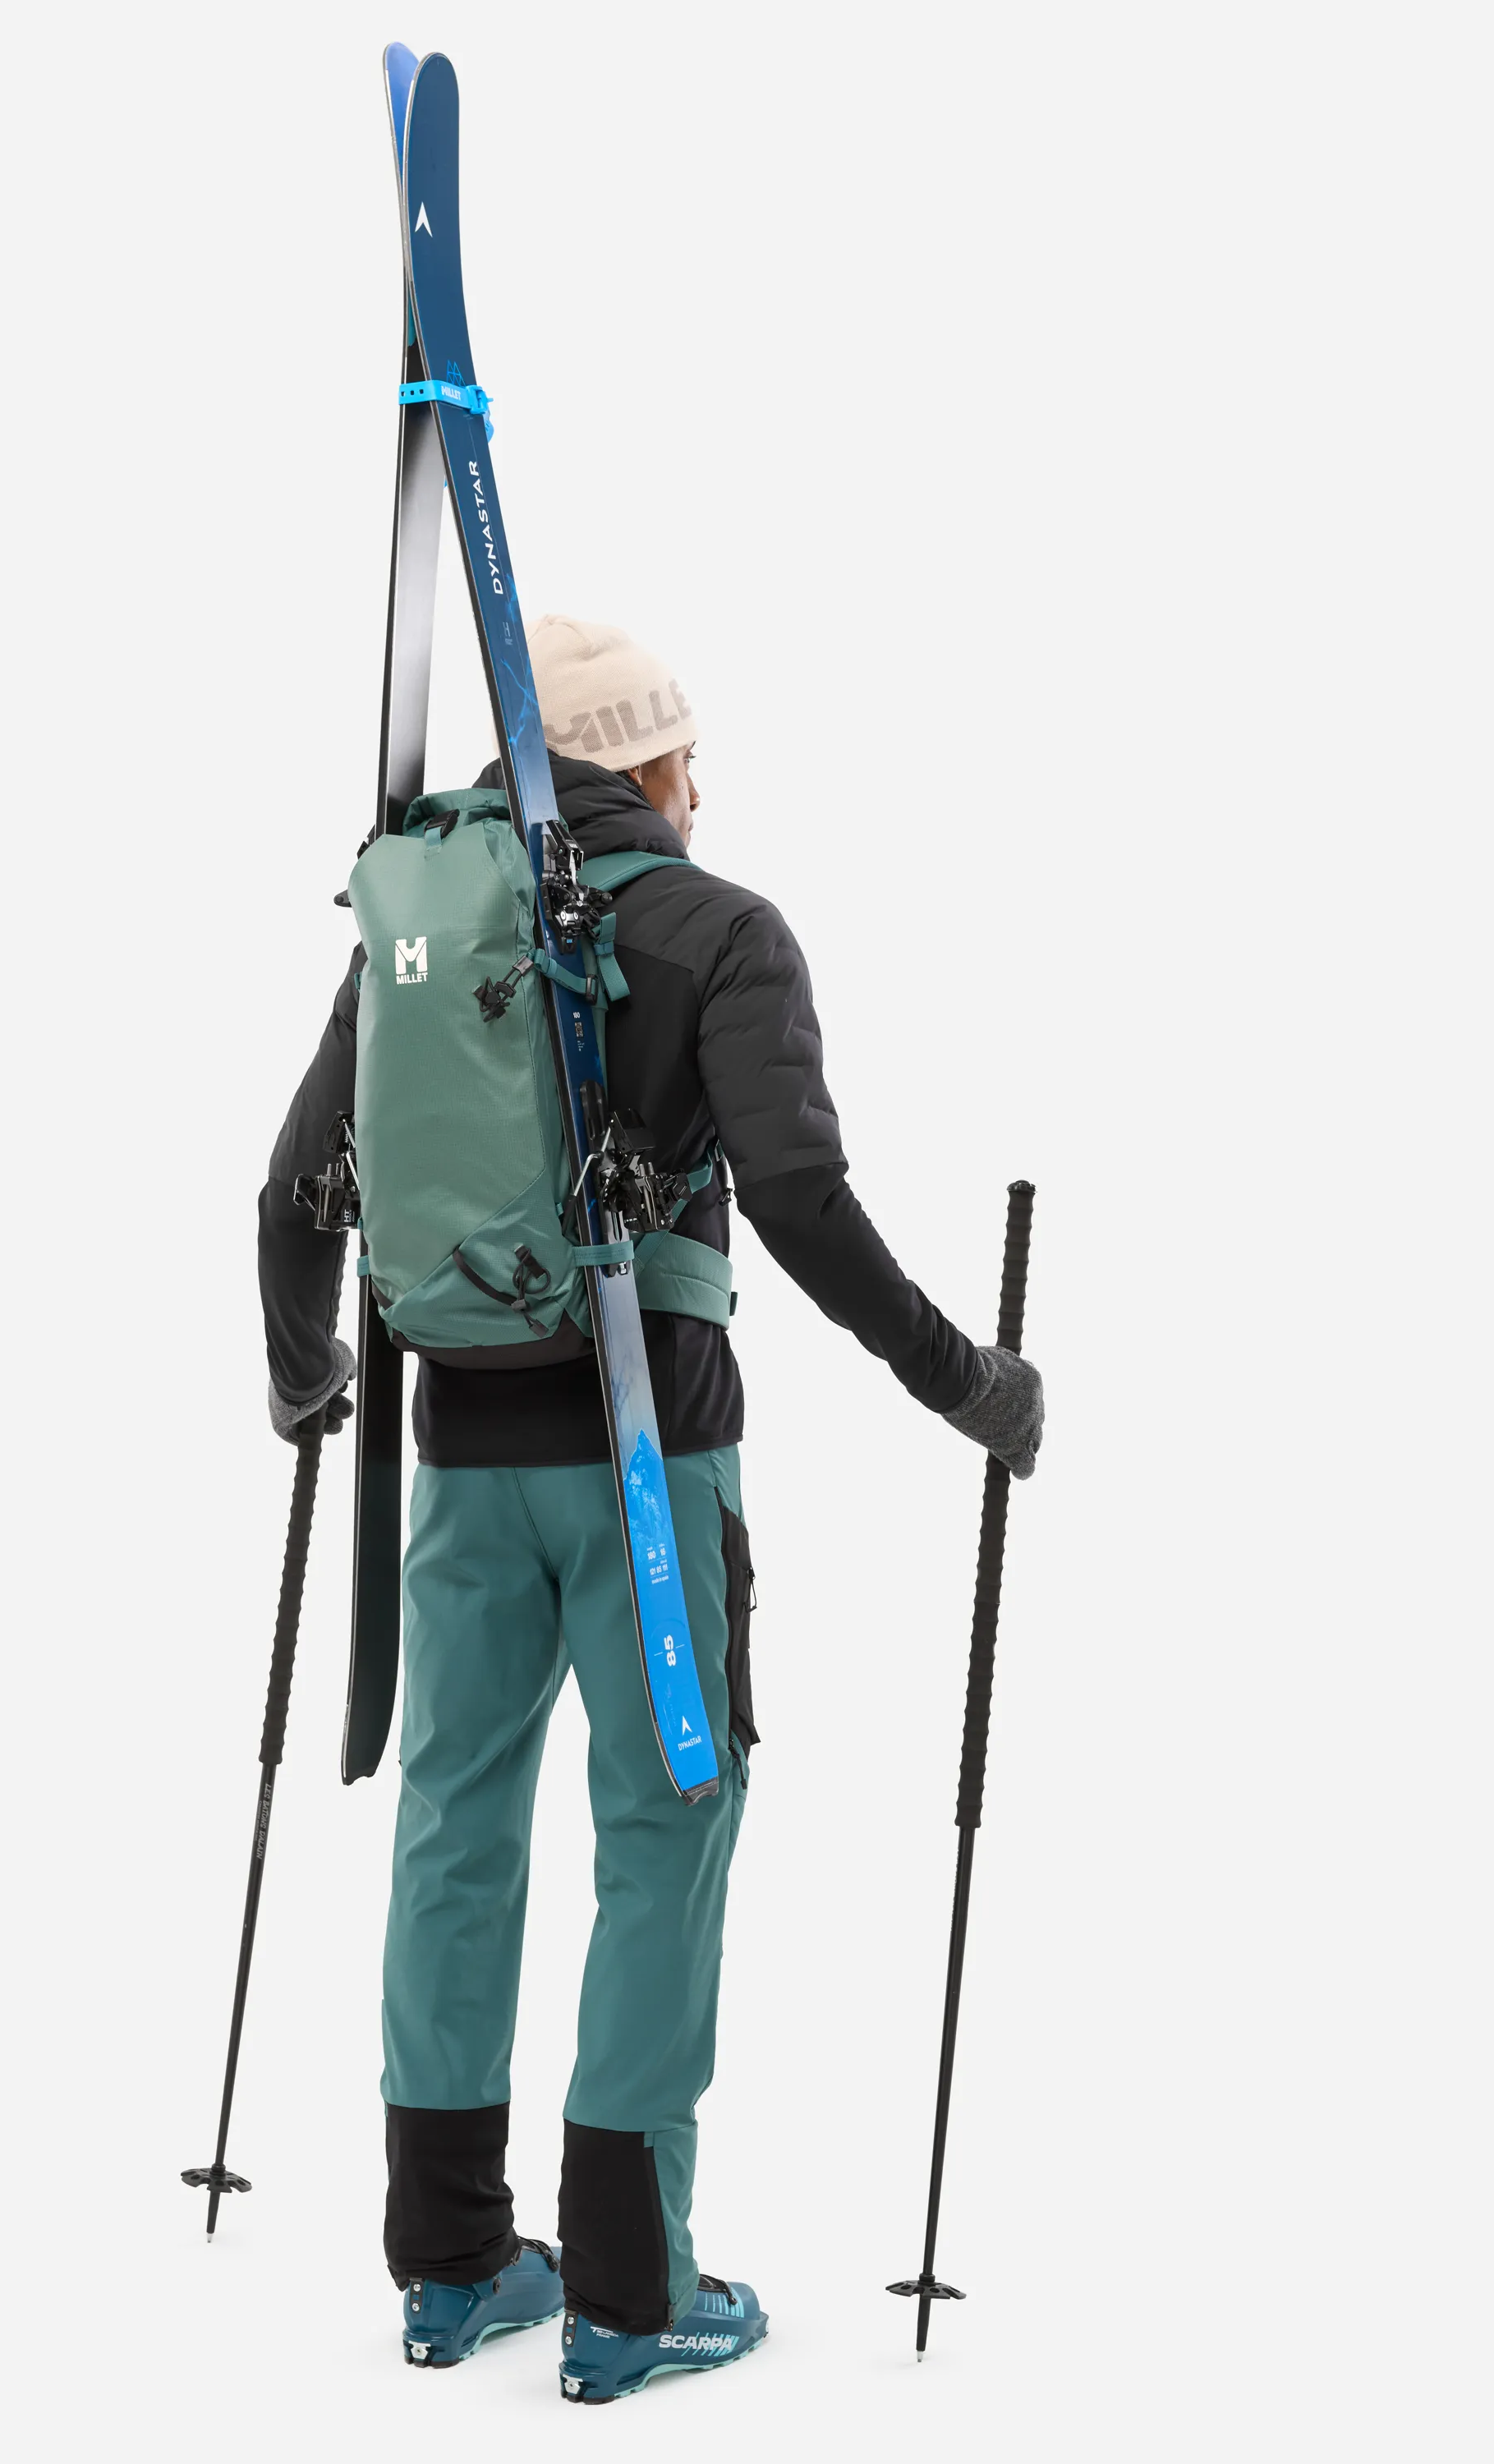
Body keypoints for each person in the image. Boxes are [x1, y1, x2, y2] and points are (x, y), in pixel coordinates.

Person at [256, 614, 1044, 2401]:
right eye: (696, 759)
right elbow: (803, 1205)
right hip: (646, 1465)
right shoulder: (717, 929)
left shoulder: (414, 928)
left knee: (454, 1824)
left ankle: (453, 2265)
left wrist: (305, 1379)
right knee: (667, 1827)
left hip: (456, 1466)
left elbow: (294, 1192)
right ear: (654, 767)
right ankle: (629, 2293)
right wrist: (966, 1386)